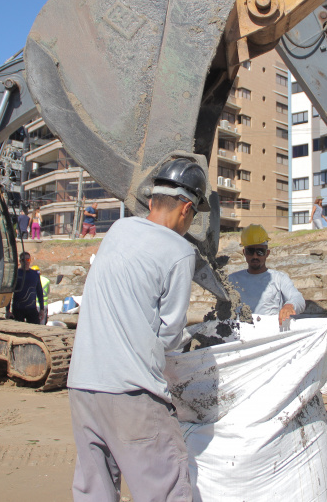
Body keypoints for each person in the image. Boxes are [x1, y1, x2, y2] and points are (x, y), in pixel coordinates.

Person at [67, 158, 207, 501]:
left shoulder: (119, 229)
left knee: (94, 489)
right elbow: (170, 335)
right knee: (165, 486)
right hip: (130, 391)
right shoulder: (178, 250)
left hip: (82, 385)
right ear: (186, 209)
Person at [228, 224, 305, 325]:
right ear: (244, 253)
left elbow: (298, 298)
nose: (255, 256)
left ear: (267, 253)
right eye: (250, 251)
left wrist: (290, 305)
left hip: (269, 333)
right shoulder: (232, 280)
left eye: (260, 251)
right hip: (241, 333)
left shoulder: (279, 278)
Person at [7, 252, 44, 324]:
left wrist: (42, 309)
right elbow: (9, 292)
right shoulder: (15, 274)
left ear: (30, 260)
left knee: (35, 329)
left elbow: (39, 292)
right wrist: (7, 310)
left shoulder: (35, 274)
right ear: (20, 261)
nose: (26, 262)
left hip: (32, 308)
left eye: (28, 260)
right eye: (23, 260)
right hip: (18, 309)